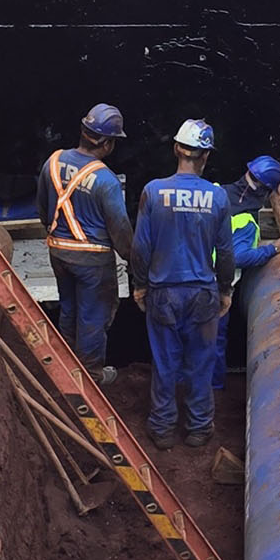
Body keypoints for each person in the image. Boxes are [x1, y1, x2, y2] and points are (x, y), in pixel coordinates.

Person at [131, 119, 233, 450]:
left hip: (163, 292)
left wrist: (141, 284)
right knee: (200, 363)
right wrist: (225, 289)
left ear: (176, 148)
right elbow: (226, 252)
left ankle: (162, 429)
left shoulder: (153, 191)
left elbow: (140, 247)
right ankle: (199, 428)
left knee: (165, 362)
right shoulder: (218, 198)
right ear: (206, 156)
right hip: (202, 293)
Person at [36, 104, 133, 386]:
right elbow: (121, 231)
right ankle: (90, 375)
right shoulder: (106, 181)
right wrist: (132, 259)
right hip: (93, 259)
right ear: (108, 143)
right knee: (93, 317)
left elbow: (43, 211)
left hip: (59, 250)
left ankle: (65, 369)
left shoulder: (52, 162)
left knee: (69, 308)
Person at [210, 155, 280, 389]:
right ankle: (214, 392)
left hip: (182, 276)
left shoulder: (214, 192)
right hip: (212, 286)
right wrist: (273, 248)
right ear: (267, 192)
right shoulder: (246, 221)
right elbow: (237, 257)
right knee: (213, 343)